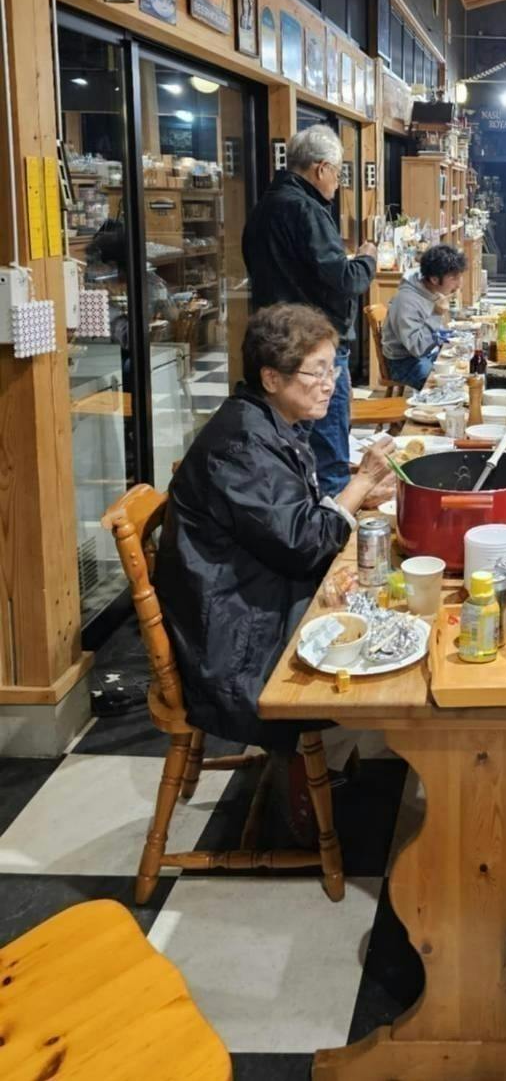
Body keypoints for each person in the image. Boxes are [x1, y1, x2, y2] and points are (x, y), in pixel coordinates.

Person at [156, 304, 396, 752]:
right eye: (317, 372)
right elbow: (305, 545)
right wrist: (361, 481)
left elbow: (287, 523)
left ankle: (359, 751)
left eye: (332, 369)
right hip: (237, 643)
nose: (330, 383)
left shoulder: (263, 421)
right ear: (271, 378)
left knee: (378, 587)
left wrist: (359, 496)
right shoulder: (243, 446)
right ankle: (334, 768)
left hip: (252, 595)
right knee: (384, 613)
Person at [242, 125, 377, 497]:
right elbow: (345, 280)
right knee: (329, 452)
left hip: (277, 344)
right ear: (322, 169)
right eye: (338, 173)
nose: (338, 182)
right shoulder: (306, 209)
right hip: (314, 348)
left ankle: (306, 512)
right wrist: (367, 259)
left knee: (292, 446)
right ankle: (331, 525)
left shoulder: (263, 207)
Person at [381, 243, 467, 389]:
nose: (459, 284)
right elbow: (417, 348)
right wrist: (436, 314)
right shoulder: (406, 300)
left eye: (460, 276)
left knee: (462, 368)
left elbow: (437, 332)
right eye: (454, 278)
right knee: (445, 384)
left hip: (428, 353)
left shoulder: (433, 291)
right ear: (434, 279)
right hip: (405, 363)